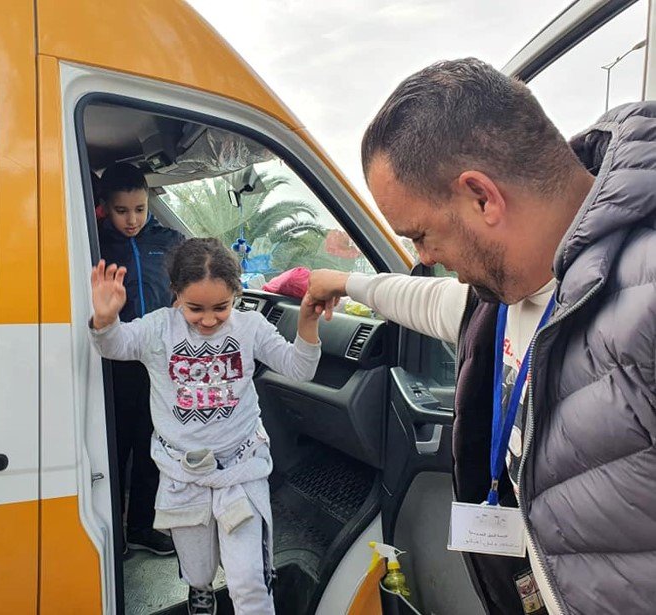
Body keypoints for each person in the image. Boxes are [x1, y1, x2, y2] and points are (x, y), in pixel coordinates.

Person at [307, 59, 655, 615]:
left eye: (421, 235)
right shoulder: (507, 295)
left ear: (482, 197)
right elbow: (433, 303)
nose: (425, 258)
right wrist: (344, 281)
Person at [89, 238, 323, 615]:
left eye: (222, 307)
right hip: (183, 473)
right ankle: (200, 589)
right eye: (195, 308)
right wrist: (105, 319)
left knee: (248, 579)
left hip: (240, 469)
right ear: (175, 293)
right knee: (198, 566)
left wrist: (308, 323)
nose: (210, 319)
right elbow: (114, 345)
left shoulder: (250, 328)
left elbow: (299, 367)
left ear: (236, 294)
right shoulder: (158, 329)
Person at [94, 162, 185, 556]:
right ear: (104, 208)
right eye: (121, 211)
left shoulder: (170, 240)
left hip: (159, 362)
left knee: (153, 445)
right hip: (112, 360)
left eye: (140, 209)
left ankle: (141, 527)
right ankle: (112, 528)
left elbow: (190, 284)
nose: (132, 220)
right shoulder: (93, 242)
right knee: (113, 447)